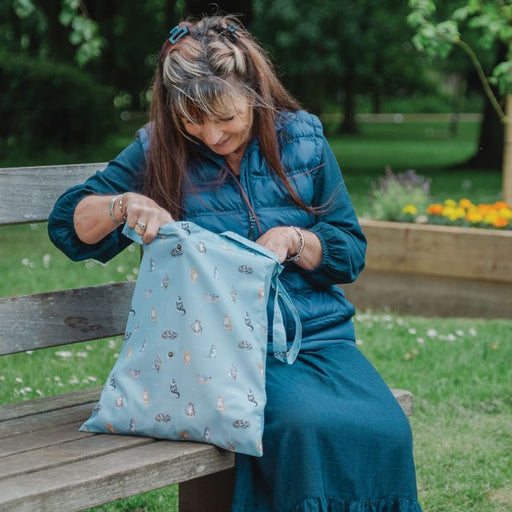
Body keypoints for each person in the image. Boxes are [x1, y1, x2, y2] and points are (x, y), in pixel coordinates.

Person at [48, 15, 422, 512]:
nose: (211, 135)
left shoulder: (303, 139)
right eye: (192, 120)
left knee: (386, 428)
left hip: (319, 337)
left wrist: (294, 240)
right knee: (306, 427)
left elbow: (349, 250)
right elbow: (67, 228)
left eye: (225, 117)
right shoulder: (159, 148)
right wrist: (123, 205)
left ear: (253, 92)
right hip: (216, 354)